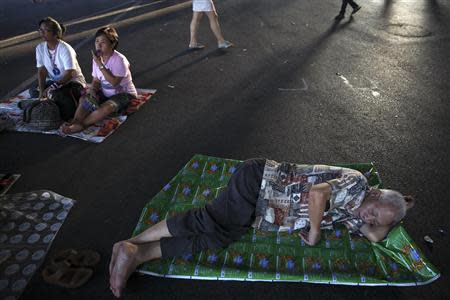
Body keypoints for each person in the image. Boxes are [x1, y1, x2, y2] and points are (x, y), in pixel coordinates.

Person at [109, 159, 414, 297]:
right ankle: (132, 243)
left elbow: (375, 235)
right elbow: (318, 194)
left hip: (259, 209)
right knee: (210, 221)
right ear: (374, 193)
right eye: (373, 212)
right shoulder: (358, 184)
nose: (368, 219)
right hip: (260, 183)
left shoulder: (357, 215)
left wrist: (394, 213)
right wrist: (316, 231)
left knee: (217, 237)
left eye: (374, 219)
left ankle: (138, 253)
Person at [61, 26, 137, 134]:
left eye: (103, 42)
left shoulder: (120, 60)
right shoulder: (97, 59)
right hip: (106, 92)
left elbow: (114, 83)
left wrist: (100, 65)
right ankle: (76, 121)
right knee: (84, 99)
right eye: (97, 41)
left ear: (113, 44)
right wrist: (93, 90)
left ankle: (83, 124)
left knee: (107, 107)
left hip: (125, 93)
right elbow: (96, 80)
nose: (98, 45)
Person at [30, 17, 86, 121]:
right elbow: (41, 71)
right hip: (55, 82)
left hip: (73, 83)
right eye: (40, 30)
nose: (42, 32)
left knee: (56, 94)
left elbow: (70, 73)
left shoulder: (65, 49)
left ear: (56, 34)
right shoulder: (40, 48)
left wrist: (51, 88)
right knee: (34, 90)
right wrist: (42, 91)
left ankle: (69, 106)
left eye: (45, 30)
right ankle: (54, 104)